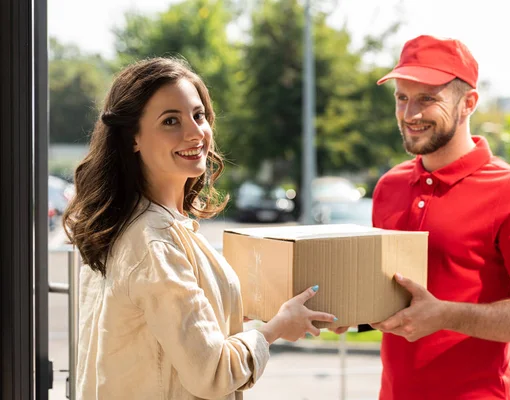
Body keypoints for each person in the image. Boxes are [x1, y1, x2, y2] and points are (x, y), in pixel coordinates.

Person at [63, 57, 337, 400]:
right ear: (133, 137)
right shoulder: (155, 242)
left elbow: (177, 325)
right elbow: (213, 373)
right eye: (170, 121)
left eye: (198, 115)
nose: (195, 132)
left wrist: (276, 309)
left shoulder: (128, 225)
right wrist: (275, 329)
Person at [337, 35, 510, 399]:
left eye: (427, 99)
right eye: (402, 98)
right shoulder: (390, 186)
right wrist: (348, 314)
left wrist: (445, 315)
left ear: (468, 103)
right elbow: (394, 297)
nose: (409, 114)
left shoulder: (509, 189)